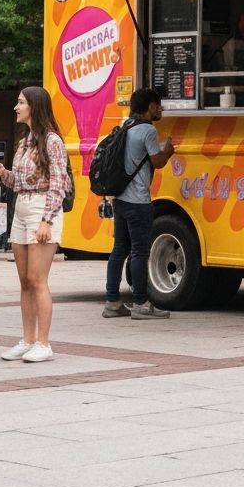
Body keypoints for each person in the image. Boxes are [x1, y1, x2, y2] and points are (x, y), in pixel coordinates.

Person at [0, 87, 67, 363]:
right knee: (24, 281)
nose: (15, 107)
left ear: (34, 106)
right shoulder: (25, 142)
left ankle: (43, 343)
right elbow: (20, 183)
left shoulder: (52, 141)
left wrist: (47, 220)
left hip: (41, 208)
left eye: (20, 103)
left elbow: (59, 183)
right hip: (21, 206)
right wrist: (4, 174)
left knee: (37, 279)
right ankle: (28, 339)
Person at [102, 87, 174, 320]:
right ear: (150, 107)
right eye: (158, 105)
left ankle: (112, 301)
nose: (160, 109)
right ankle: (141, 303)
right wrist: (168, 151)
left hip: (121, 199)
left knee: (119, 251)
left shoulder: (126, 125)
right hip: (139, 202)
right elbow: (157, 161)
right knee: (140, 252)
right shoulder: (146, 130)